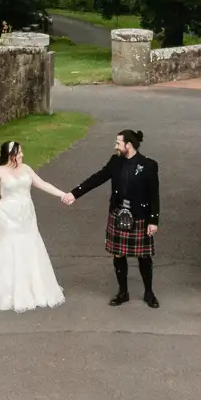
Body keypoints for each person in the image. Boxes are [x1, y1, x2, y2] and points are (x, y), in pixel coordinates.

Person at [0, 139, 73, 312]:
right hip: (8, 217)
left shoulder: (26, 169)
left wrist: (63, 194)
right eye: (19, 152)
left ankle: (34, 288)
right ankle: (7, 291)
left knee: (30, 245)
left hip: (27, 216)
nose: (22, 155)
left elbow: (42, 184)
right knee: (10, 247)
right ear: (10, 155)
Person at [70, 128, 160, 307]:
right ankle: (123, 292)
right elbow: (97, 178)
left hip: (140, 216)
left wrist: (153, 220)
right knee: (118, 255)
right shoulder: (115, 162)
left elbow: (154, 195)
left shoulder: (149, 165)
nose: (115, 146)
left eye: (118, 143)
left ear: (129, 145)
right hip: (118, 214)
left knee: (144, 256)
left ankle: (149, 293)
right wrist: (74, 194)